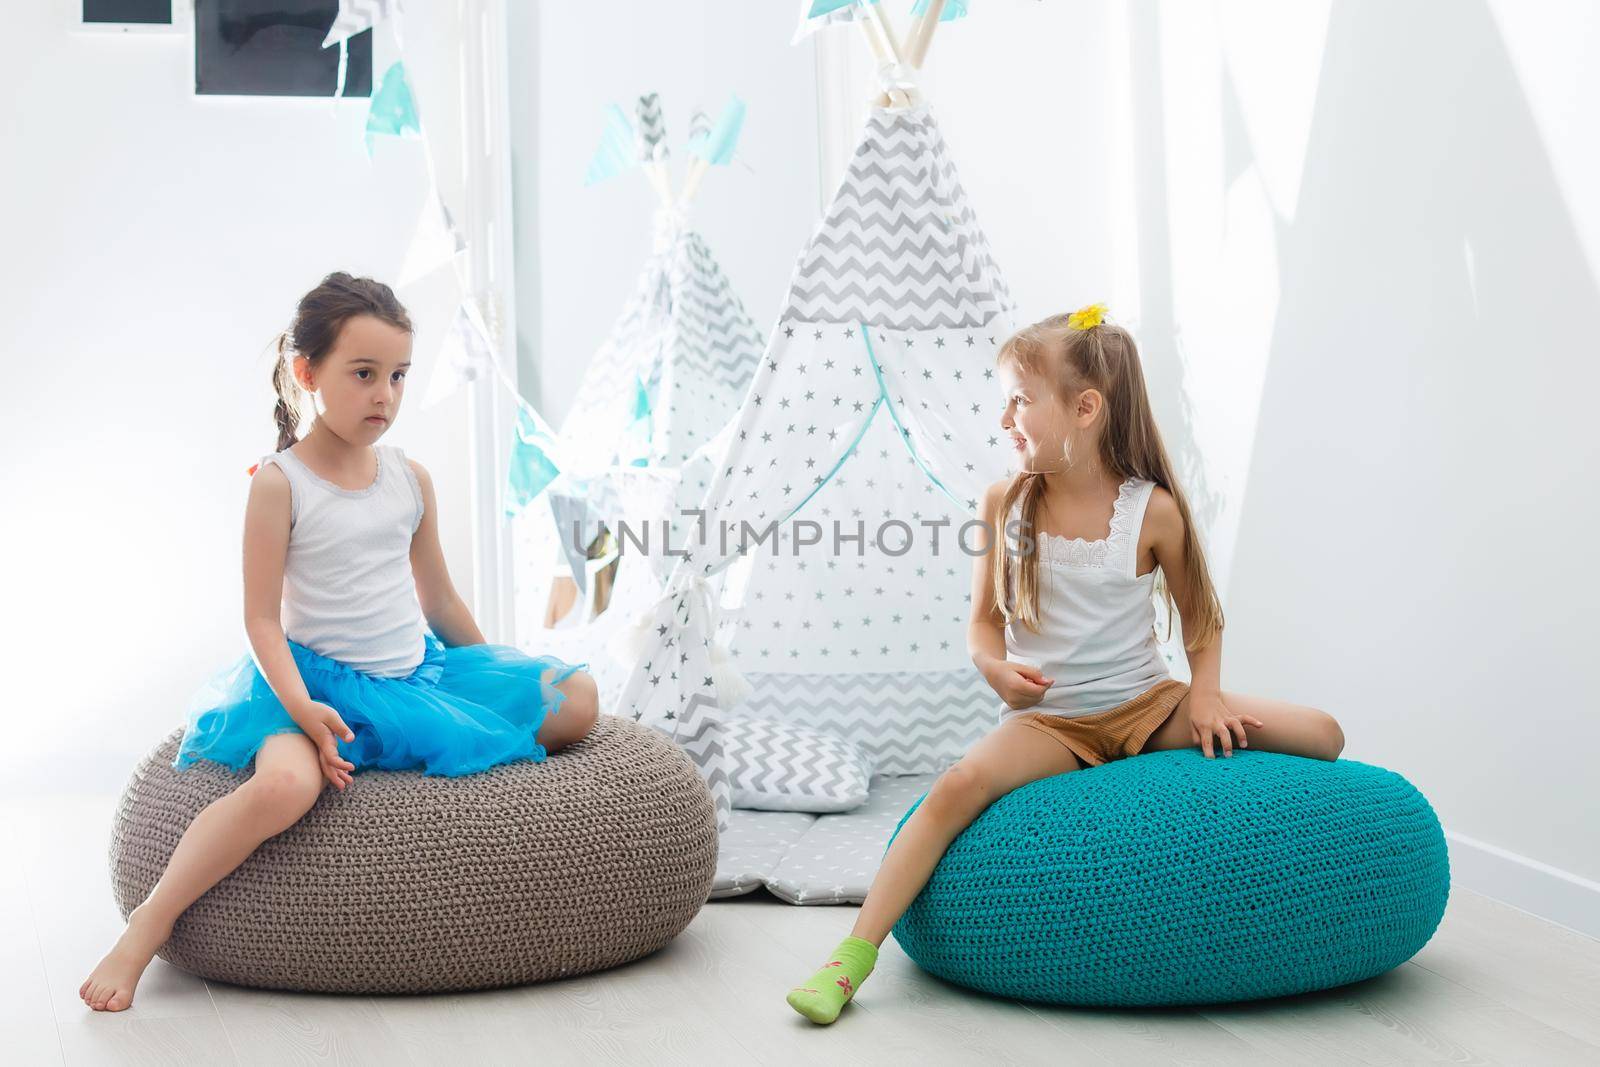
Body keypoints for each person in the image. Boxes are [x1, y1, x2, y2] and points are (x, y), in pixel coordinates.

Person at [785, 303, 1345, 1025]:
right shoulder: (1003, 504)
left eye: (1019, 399)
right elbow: (983, 624)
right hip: (1051, 721)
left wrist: (1204, 696)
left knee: (1323, 733)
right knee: (957, 784)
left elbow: (1202, 613)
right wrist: (993, 668)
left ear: (1085, 408)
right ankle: (851, 957)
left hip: (1148, 706)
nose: (1003, 418)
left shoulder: (1154, 513)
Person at [80, 272, 599, 1012]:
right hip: (309, 682)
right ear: (307, 372)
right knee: (289, 785)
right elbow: (261, 619)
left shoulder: (409, 477)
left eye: (397, 376)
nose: (384, 395)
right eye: (363, 374)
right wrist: (304, 707)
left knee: (575, 697)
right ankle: (147, 923)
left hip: (411, 675)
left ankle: (427, 720)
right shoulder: (279, 483)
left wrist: (496, 671)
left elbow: (439, 597)